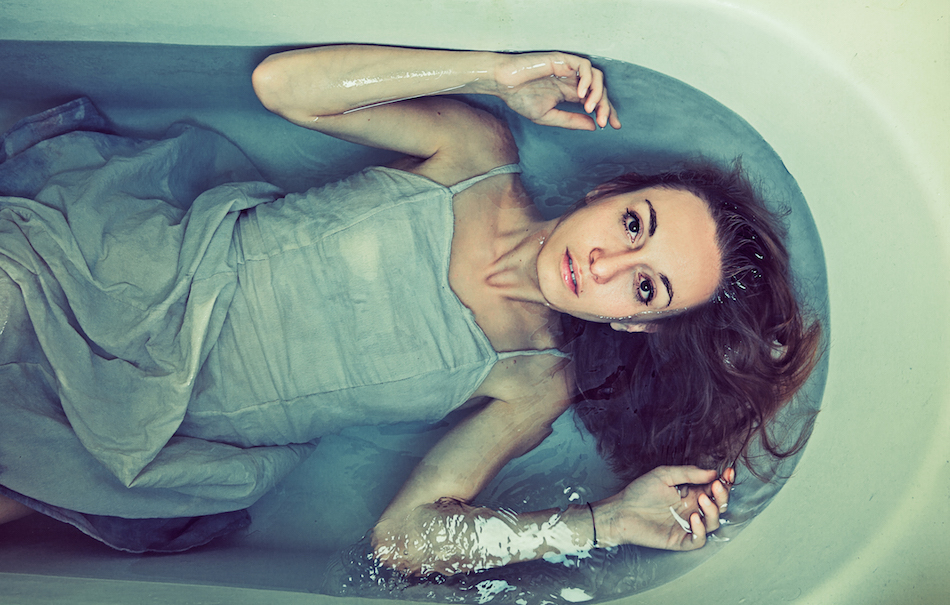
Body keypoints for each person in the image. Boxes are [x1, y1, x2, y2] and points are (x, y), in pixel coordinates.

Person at [0, 45, 819, 575]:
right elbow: (280, 86)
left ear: (636, 324)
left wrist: (604, 522)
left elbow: (404, 540)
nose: (605, 261)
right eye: (634, 224)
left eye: (644, 288)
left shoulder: (534, 382)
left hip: (167, 430)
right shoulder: (477, 152)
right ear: (609, 190)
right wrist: (493, 74)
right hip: (135, 272)